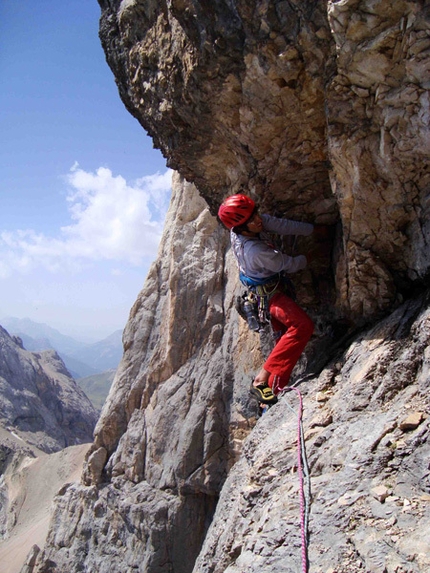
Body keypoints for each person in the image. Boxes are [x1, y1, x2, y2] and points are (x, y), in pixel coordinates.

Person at [218, 193, 316, 405]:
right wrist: (312, 255)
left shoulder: (240, 230)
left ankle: (274, 392)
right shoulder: (256, 252)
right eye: (252, 220)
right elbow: (289, 264)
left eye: (256, 214)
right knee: (301, 326)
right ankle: (261, 379)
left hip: (263, 293)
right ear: (242, 227)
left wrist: (312, 229)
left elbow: (277, 224)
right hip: (271, 297)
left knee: (284, 342)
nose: (258, 220)